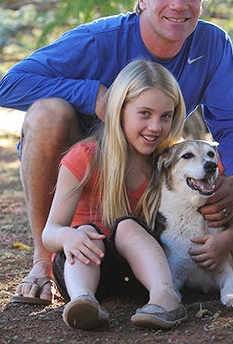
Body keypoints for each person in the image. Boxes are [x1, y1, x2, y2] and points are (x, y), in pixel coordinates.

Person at [0, 0, 233, 306]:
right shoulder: (99, 40)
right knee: (48, 114)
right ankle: (43, 261)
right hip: (86, 162)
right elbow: (10, 86)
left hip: (151, 161)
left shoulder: (212, 44)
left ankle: (165, 280)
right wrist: (95, 96)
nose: (179, 4)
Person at [42, 60, 189, 330]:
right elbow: (50, 232)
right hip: (82, 271)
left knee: (128, 227)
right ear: (119, 111)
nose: (155, 127)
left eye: (165, 116)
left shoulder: (172, 160)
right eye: (144, 113)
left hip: (144, 272)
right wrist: (68, 235)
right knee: (86, 232)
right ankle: (84, 303)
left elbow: (216, 213)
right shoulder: (85, 158)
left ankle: (165, 297)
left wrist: (229, 236)